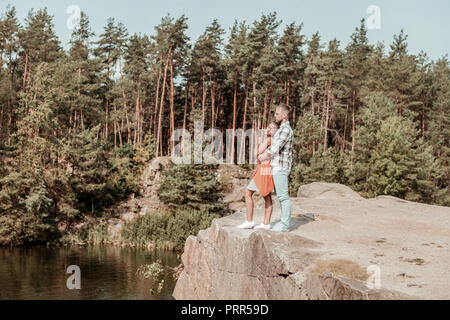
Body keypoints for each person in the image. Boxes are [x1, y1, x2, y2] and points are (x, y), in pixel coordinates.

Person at [257, 104, 294, 232]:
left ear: (285, 115)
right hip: (277, 166)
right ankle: (284, 223)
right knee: (281, 196)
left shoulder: (285, 130)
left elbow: (275, 147)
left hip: (281, 167)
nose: (275, 115)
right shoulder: (282, 129)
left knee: (283, 197)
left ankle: (285, 225)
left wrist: (264, 156)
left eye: (277, 114)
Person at [237, 122, 279, 229]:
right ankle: (266, 223)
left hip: (264, 170)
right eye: (268, 127)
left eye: (272, 128)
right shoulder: (273, 140)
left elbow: (256, 152)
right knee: (267, 196)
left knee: (248, 193)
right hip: (267, 169)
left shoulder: (269, 140)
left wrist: (259, 142)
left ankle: (250, 221)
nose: (269, 129)